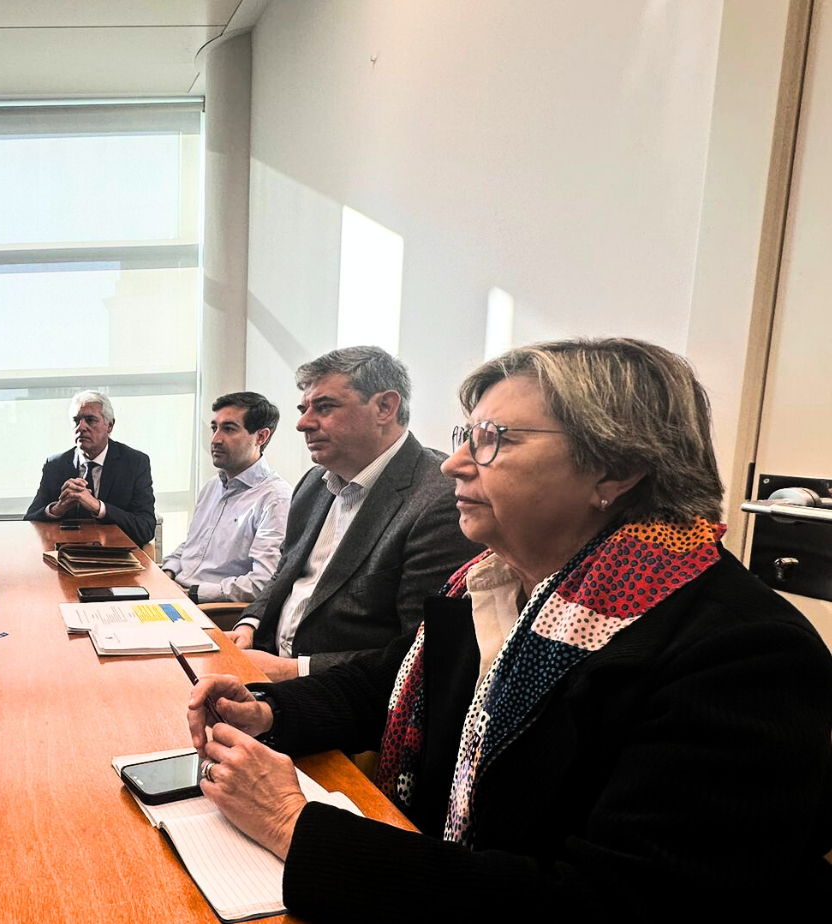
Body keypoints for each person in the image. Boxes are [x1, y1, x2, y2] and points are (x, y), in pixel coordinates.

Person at [185, 338, 832, 918]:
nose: (453, 464)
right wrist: (267, 712)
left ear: (615, 469)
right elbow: (384, 682)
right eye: (464, 434)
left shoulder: (742, 657)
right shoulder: (494, 582)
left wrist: (294, 826)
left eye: (492, 439)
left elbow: (608, 904)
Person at [230, 346, 479, 680]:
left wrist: (293, 670)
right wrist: (250, 624)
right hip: (267, 670)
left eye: (324, 407)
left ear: (385, 407)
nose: (303, 423)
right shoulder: (314, 483)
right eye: (304, 409)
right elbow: (285, 573)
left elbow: (418, 653)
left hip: (341, 703)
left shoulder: (440, 501)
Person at [160, 391, 291, 603]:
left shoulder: (275, 499)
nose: (215, 439)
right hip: (175, 594)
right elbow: (194, 545)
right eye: (214, 428)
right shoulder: (214, 485)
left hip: (210, 610)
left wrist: (192, 593)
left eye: (229, 429)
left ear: (261, 436)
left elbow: (263, 582)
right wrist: (168, 573)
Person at [23, 389, 157, 547]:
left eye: (90, 420)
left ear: (110, 425)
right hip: (66, 556)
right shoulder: (55, 465)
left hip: (116, 558)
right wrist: (58, 509)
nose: (81, 427)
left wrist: (99, 507)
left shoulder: (134, 463)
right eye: (76, 420)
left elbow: (146, 528)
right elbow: (28, 522)